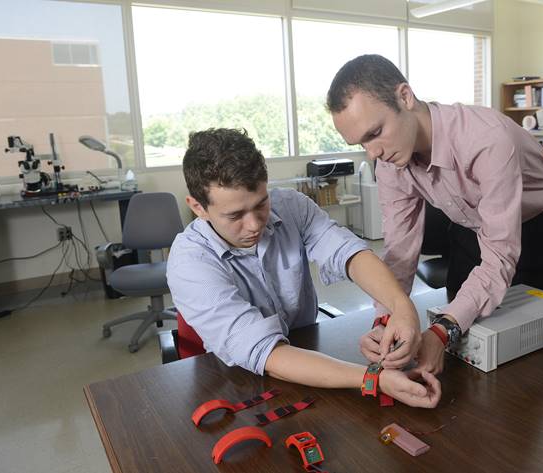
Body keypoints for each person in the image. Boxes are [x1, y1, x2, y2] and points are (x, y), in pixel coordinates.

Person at [327, 54, 543, 375]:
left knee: (535, 360)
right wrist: (386, 319)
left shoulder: (486, 139)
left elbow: (499, 256)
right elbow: (400, 252)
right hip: (469, 232)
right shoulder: (389, 162)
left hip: (536, 233)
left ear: (405, 96)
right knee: (465, 350)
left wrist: (442, 331)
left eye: (374, 133)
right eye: (360, 144)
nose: (373, 154)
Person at [166, 128, 439, 408]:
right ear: (198, 207)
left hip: (309, 359)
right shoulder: (189, 262)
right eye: (235, 215)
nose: (255, 224)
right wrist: (374, 379)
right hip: (239, 381)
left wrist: (402, 308)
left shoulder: (291, 206)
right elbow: (264, 352)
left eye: (261, 203)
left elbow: (350, 254)